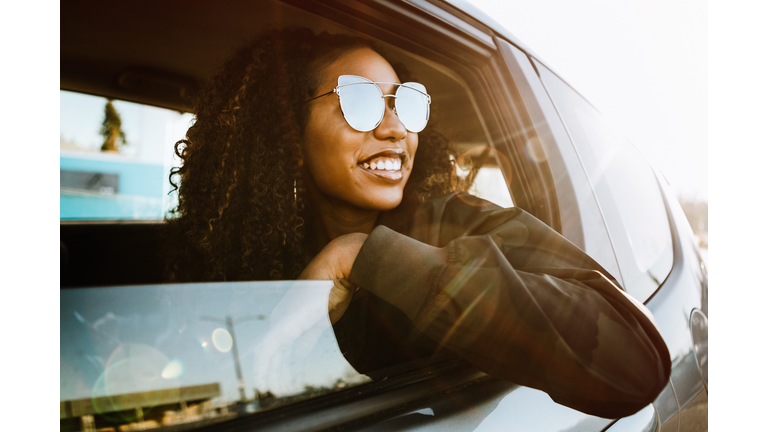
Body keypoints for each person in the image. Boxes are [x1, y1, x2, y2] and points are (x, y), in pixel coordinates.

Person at [164, 28, 670, 419]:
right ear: (286, 132)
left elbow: (635, 366)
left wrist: (364, 255)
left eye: (404, 103)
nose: (394, 128)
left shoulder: (457, 226)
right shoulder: (239, 254)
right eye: (360, 102)